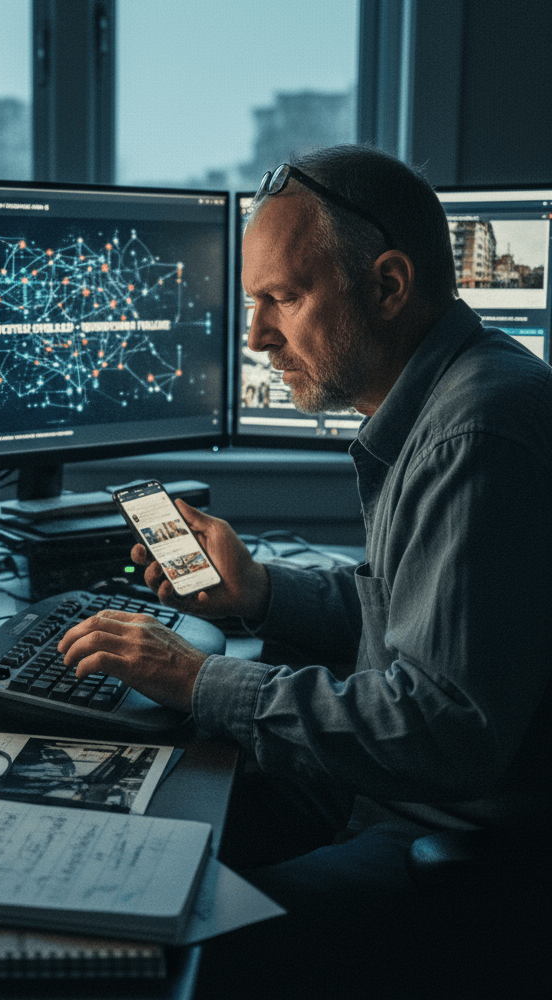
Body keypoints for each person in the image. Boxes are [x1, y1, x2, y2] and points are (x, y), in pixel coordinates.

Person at [58, 145, 551, 997]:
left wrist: (200, 679)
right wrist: (259, 591)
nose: (255, 338)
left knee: (148, 945)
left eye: (281, 299)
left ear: (389, 286)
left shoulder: (475, 436)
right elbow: (400, 617)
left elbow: (444, 728)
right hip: (387, 800)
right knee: (108, 823)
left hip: (444, 841)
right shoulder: (449, 396)